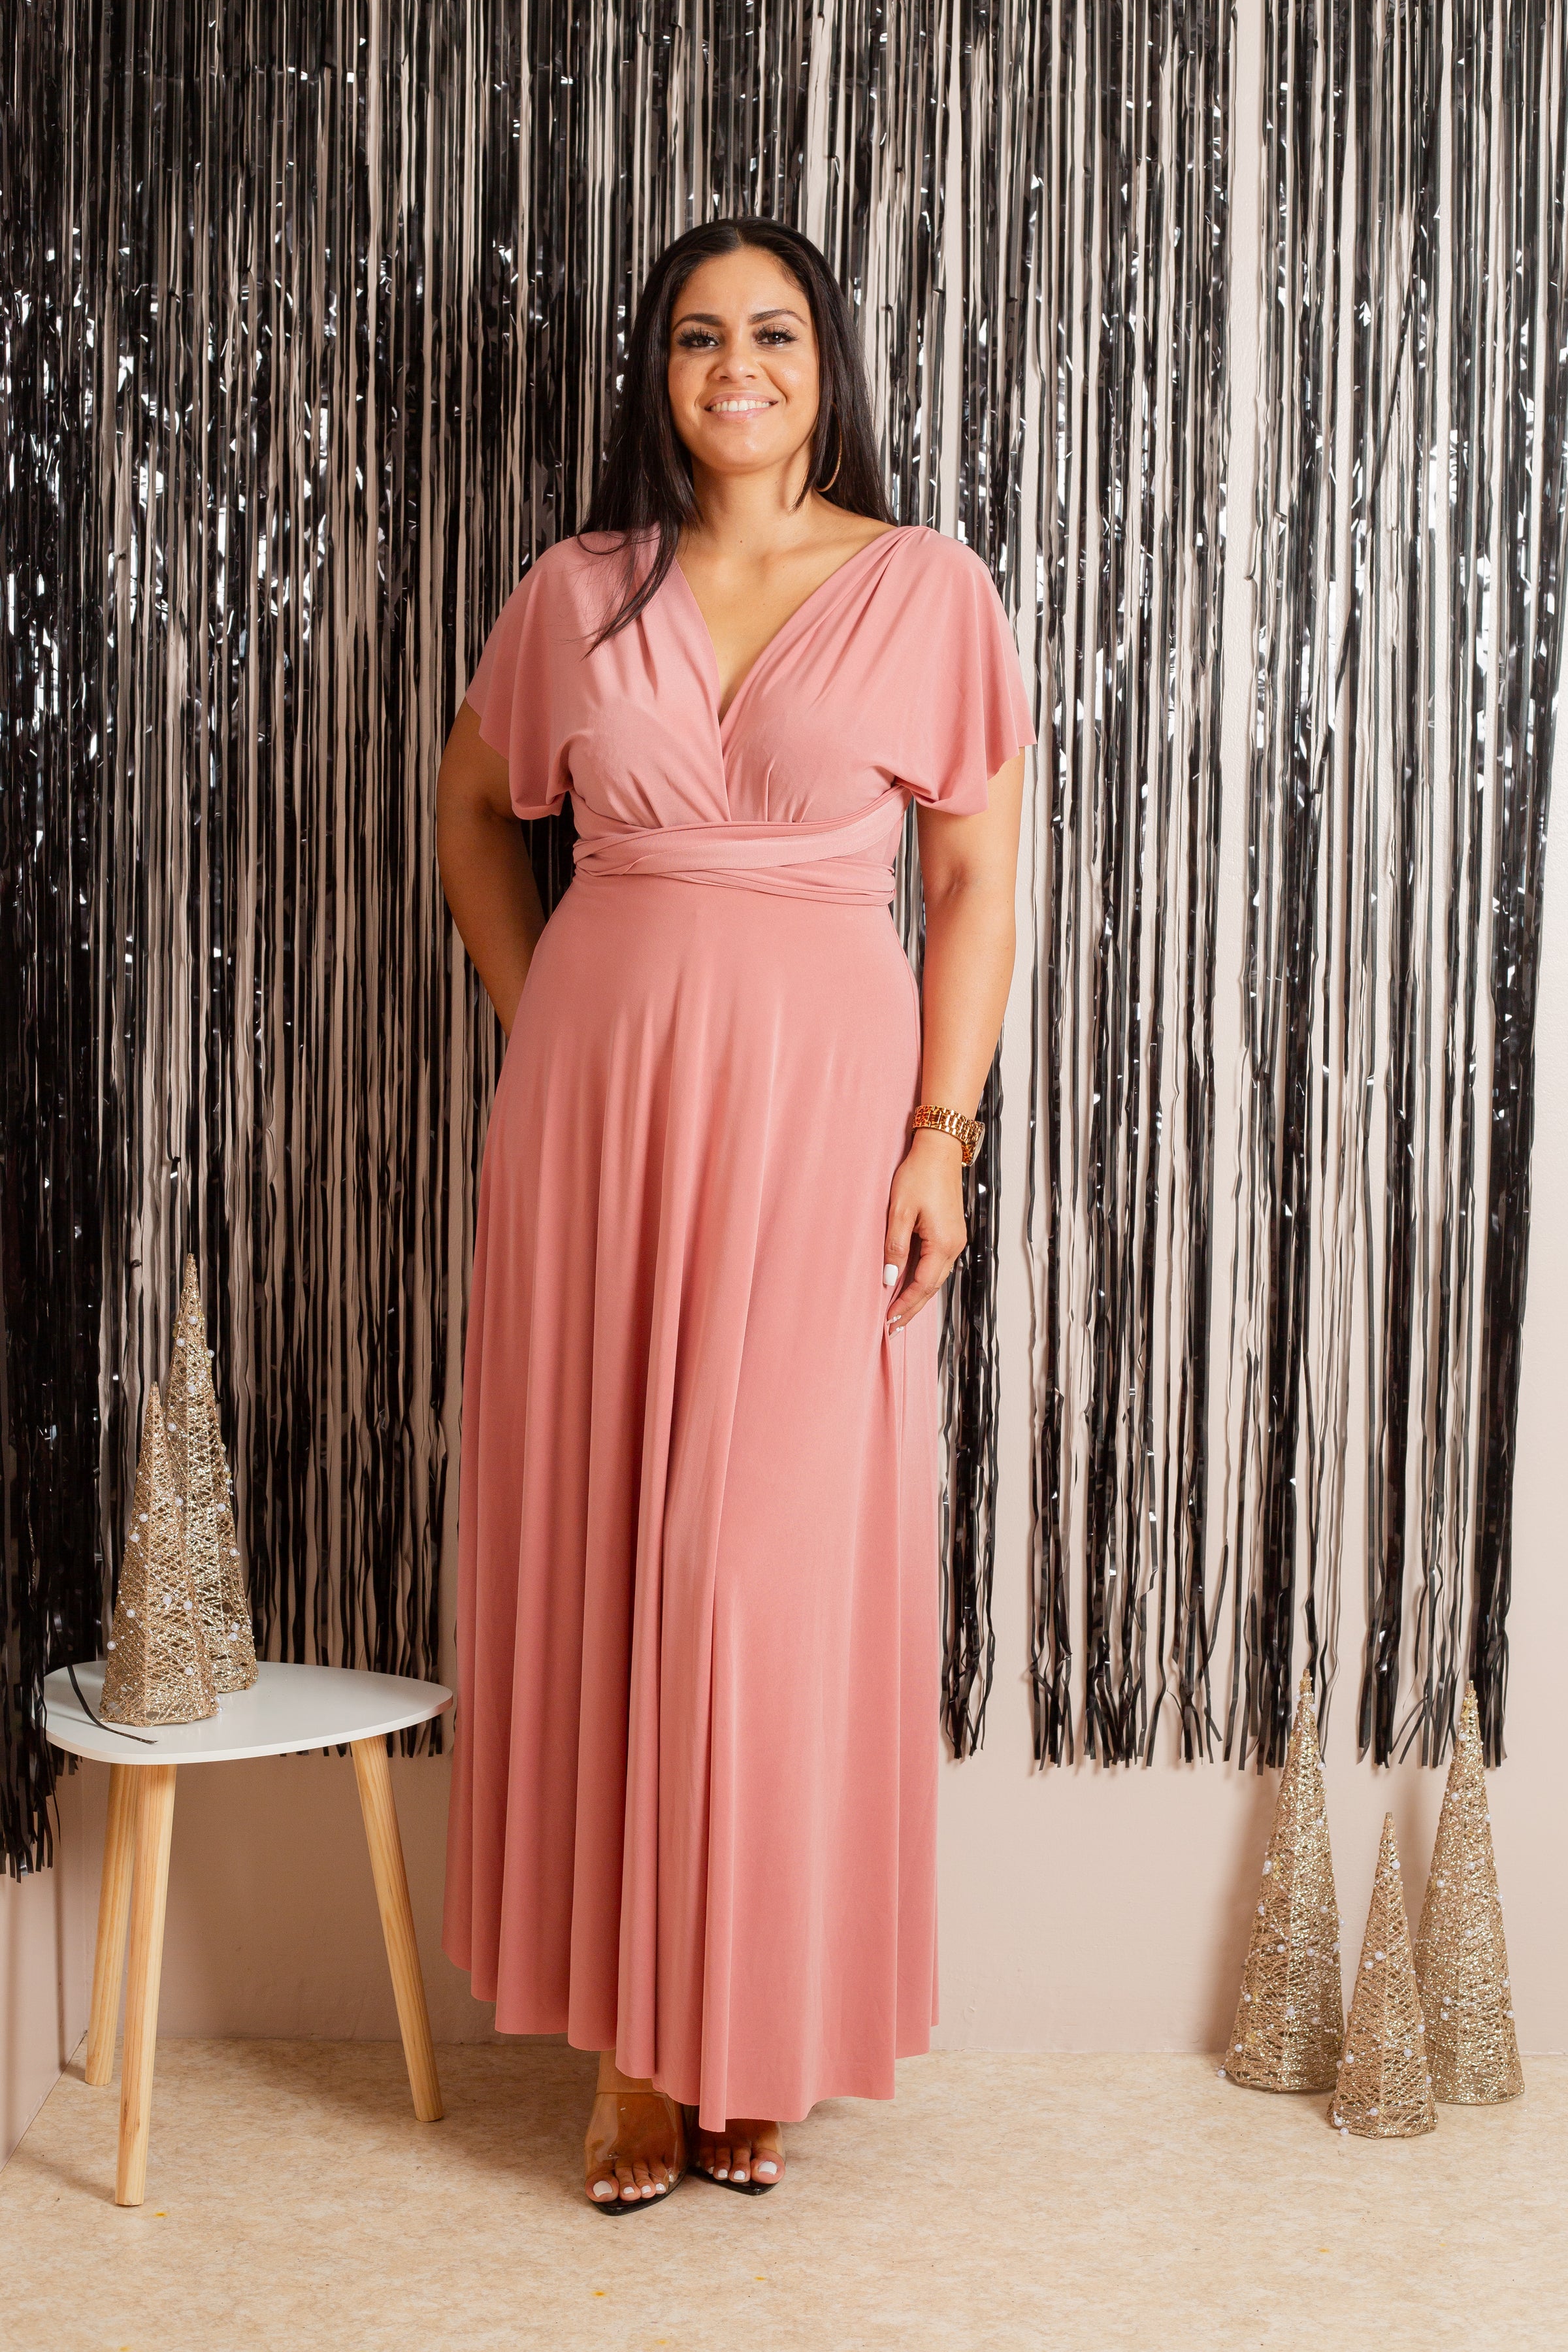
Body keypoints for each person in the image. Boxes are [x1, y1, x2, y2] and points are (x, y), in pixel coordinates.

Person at [436, 217, 1031, 2212]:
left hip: (829, 1120)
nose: (738, 367)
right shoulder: (576, 591)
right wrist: (545, 1018)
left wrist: (942, 1136)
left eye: (773, 332)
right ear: (660, 372)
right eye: (700, 337)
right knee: (614, 1547)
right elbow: (469, 812)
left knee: (754, 1570)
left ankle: (748, 2031)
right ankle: (632, 2057)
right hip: (599, 1121)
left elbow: (973, 883)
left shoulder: (928, 587)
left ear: (824, 360)